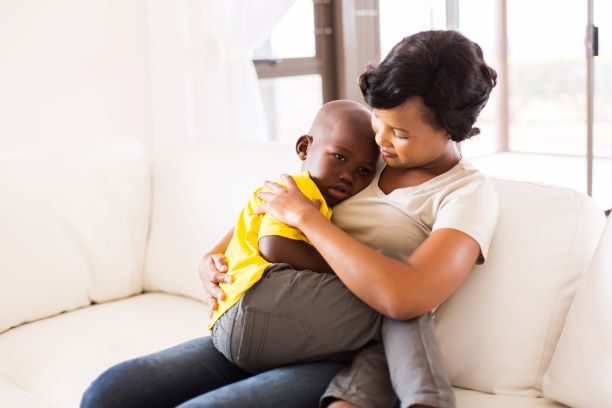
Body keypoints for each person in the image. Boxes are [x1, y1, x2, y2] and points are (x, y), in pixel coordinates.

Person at [81, 29, 498, 408]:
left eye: (400, 133)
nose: (381, 139)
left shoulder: (465, 193)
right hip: (273, 312)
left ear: (453, 130)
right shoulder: (365, 154)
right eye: (378, 118)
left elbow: (407, 298)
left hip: (346, 348)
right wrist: (213, 255)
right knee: (110, 392)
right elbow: (281, 205)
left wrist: (309, 220)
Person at [210, 99, 385, 372]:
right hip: (252, 299)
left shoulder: (319, 202)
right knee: (385, 308)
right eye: (339, 157)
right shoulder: (296, 189)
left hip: (232, 325)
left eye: (363, 170)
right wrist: (344, 268)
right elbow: (275, 246)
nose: (348, 175)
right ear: (305, 148)